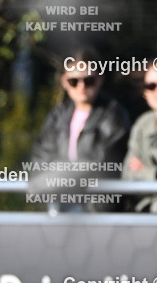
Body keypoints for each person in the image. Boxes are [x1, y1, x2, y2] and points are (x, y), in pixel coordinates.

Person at [29, 47, 129, 214]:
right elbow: (40, 158)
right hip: (59, 207)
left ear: (100, 79)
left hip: (98, 210)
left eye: (89, 80)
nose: (81, 86)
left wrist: (54, 179)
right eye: (74, 81)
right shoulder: (58, 116)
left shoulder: (113, 114)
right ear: (63, 81)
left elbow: (102, 162)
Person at [121, 61, 157, 212]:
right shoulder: (142, 124)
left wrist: (145, 172)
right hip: (143, 215)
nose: (156, 91)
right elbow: (128, 175)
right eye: (151, 86)